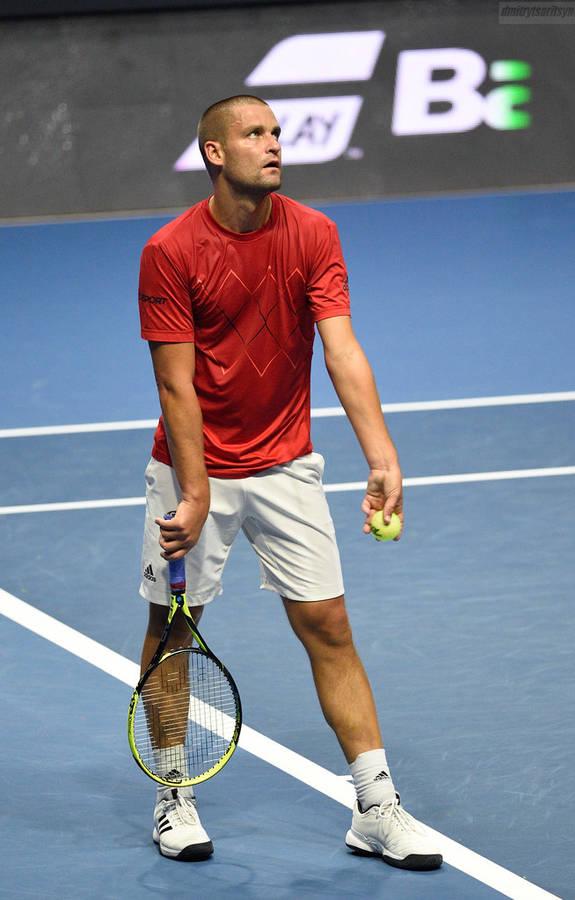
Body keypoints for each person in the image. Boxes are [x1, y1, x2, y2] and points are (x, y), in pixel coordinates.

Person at [137, 94, 442, 872]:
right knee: (176, 630)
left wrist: (381, 454)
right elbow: (176, 388)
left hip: (286, 465)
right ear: (214, 152)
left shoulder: (313, 233)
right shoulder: (170, 251)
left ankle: (375, 806)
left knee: (329, 627)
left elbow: (340, 349)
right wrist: (198, 492)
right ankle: (173, 791)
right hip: (192, 465)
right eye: (255, 134)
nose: (274, 144)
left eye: (276, 133)